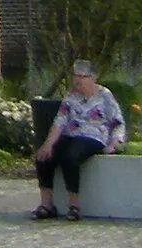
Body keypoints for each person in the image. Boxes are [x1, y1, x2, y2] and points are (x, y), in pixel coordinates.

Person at [33, 60, 126, 217]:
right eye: (75, 76)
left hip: (93, 135)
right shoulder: (71, 96)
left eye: (82, 77)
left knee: (71, 156)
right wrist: (48, 144)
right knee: (44, 157)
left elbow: (117, 122)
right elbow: (60, 121)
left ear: (93, 78)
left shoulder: (104, 96)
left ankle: (74, 205)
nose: (78, 81)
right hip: (71, 133)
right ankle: (47, 204)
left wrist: (114, 143)